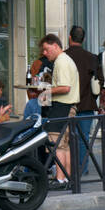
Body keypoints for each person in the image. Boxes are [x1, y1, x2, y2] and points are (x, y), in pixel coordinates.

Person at [39, 34, 80, 189]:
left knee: (55, 143)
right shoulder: (65, 60)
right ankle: (67, 178)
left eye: (46, 49)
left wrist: (47, 92)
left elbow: (65, 87)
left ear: (55, 45)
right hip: (69, 106)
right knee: (64, 145)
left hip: (62, 106)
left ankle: (60, 178)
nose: (44, 53)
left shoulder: (61, 62)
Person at [64, 25, 101, 169]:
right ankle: (82, 168)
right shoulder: (92, 57)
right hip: (86, 103)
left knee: (65, 139)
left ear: (69, 37)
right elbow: (100, 81)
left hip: (66, 103)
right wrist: (92, 96)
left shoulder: (63, 56)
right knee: (83, 138)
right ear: (83, 39)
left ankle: (67, 168)